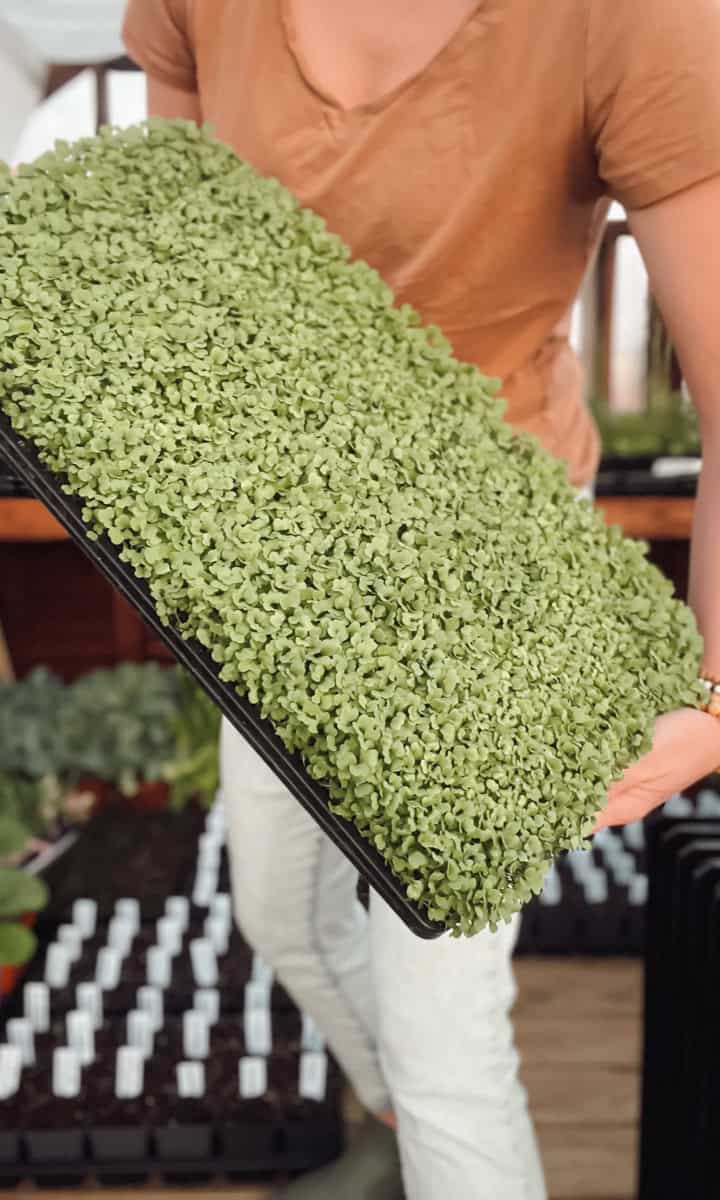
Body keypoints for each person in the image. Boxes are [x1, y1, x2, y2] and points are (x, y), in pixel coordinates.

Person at [123, 3, 720, 1197]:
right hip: (279, 560)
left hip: (491, 567)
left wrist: (712, 693)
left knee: (446, 1029)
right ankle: (397, 1136)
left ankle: (428, 1127)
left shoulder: (633, 21)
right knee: (281, 913)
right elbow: (168, 260)